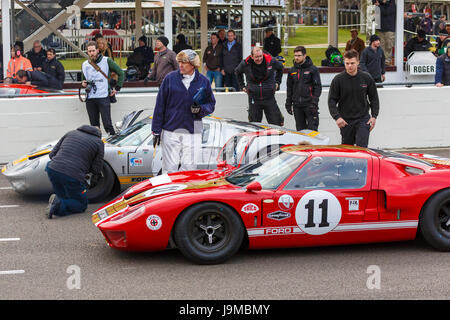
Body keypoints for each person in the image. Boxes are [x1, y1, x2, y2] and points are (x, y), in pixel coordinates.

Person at [151, 49, 216, 174]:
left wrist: (201, 110)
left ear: (193, 64)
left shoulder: (204, 81)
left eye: (184, 62)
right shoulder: (170, 78)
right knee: (169, 169)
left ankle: (183, 192)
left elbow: (211, 104)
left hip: (194, 129)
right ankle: (169, 192)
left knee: (189, 168)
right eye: (179, 62)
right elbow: (160, 105)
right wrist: (156, 130)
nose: (180, 65)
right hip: (171, 128)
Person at [45, 125, 104, 219]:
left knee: (63, 196)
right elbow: (96, 168)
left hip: (52, 169)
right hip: (73, 175)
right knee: (81, 205)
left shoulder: (70, 133)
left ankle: (57, 201)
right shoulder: (99, 142)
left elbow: (52, 155)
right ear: (99, 134)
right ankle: (58, 207)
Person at [328, 49, 379, 148]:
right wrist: (337, 117)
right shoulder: (338, 79)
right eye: (347, 63)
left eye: (352, 63)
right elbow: (331, 100)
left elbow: (374, 98)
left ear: (358, 62)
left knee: (362, 148)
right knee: (348, 150)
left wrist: (374, 116)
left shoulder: (366, 78)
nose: (349, 66)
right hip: (345, 120)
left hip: (363, 119)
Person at [81, 41, 124, 136]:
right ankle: (96, 145)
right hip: (90, 97)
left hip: (103, 95)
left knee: (107, 124)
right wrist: (83, 83)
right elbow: (83, 79)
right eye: (89, 51)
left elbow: (121, 73)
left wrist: (117, 88)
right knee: (93, 126)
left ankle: (113, 142)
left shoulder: (106, 60)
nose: (91, 53)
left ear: (97, 50)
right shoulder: (85, 64)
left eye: (93, 50)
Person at [235, 46, 284, 126]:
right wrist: (242, 86)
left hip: (269, 98)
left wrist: (277, 83)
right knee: (255, 125)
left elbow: (281, 68)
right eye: (256, 57)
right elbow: (237, 72)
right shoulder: (246, 63)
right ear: (252, 56)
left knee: (276, 124)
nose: (259, 59)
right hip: (254, 99)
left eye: (261, 56)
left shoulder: (270, 60)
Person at [285, 46, 322, 131]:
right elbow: (289, 88)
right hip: (297, 106)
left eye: (299, 55)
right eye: (295, 55)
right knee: (300, 132)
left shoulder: (313, 69)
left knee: (312, 132)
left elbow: (317, 87)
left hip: (310, 105)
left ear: (305, 55)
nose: (296, 58)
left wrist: (314, 102)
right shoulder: (292, 70)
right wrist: (288, 103)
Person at [374, 0, 396, 65]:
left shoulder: (392, 4)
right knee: (381, 45)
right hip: (381, 28)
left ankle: (387, 61)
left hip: (389, 29)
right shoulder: (380, 4)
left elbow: (386, 12)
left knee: (388, 45)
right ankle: (382, 60)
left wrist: (379, 5)